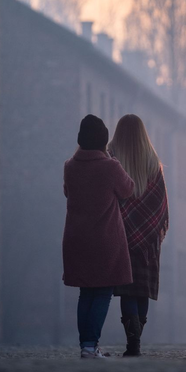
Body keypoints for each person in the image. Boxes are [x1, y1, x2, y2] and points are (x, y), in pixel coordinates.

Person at [62, 115, 136, 359]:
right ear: (104, 141)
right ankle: (91, 345)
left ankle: (87, 345)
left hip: (76, 239)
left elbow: (67, 192)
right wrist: (113, 161)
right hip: (104, 240)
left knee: (86, 292)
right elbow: (128, 189)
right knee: (103, 292)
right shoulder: (110, 166)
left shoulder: (70, 167)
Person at [107, 114, 169, 357]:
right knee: (141, 290)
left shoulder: (112, 158)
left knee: (127, 290)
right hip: (148, 242)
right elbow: (160, 206)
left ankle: (132, 341)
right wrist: (151, 232)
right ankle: (136, 341)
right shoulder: (153, 162)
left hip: (119, 235)